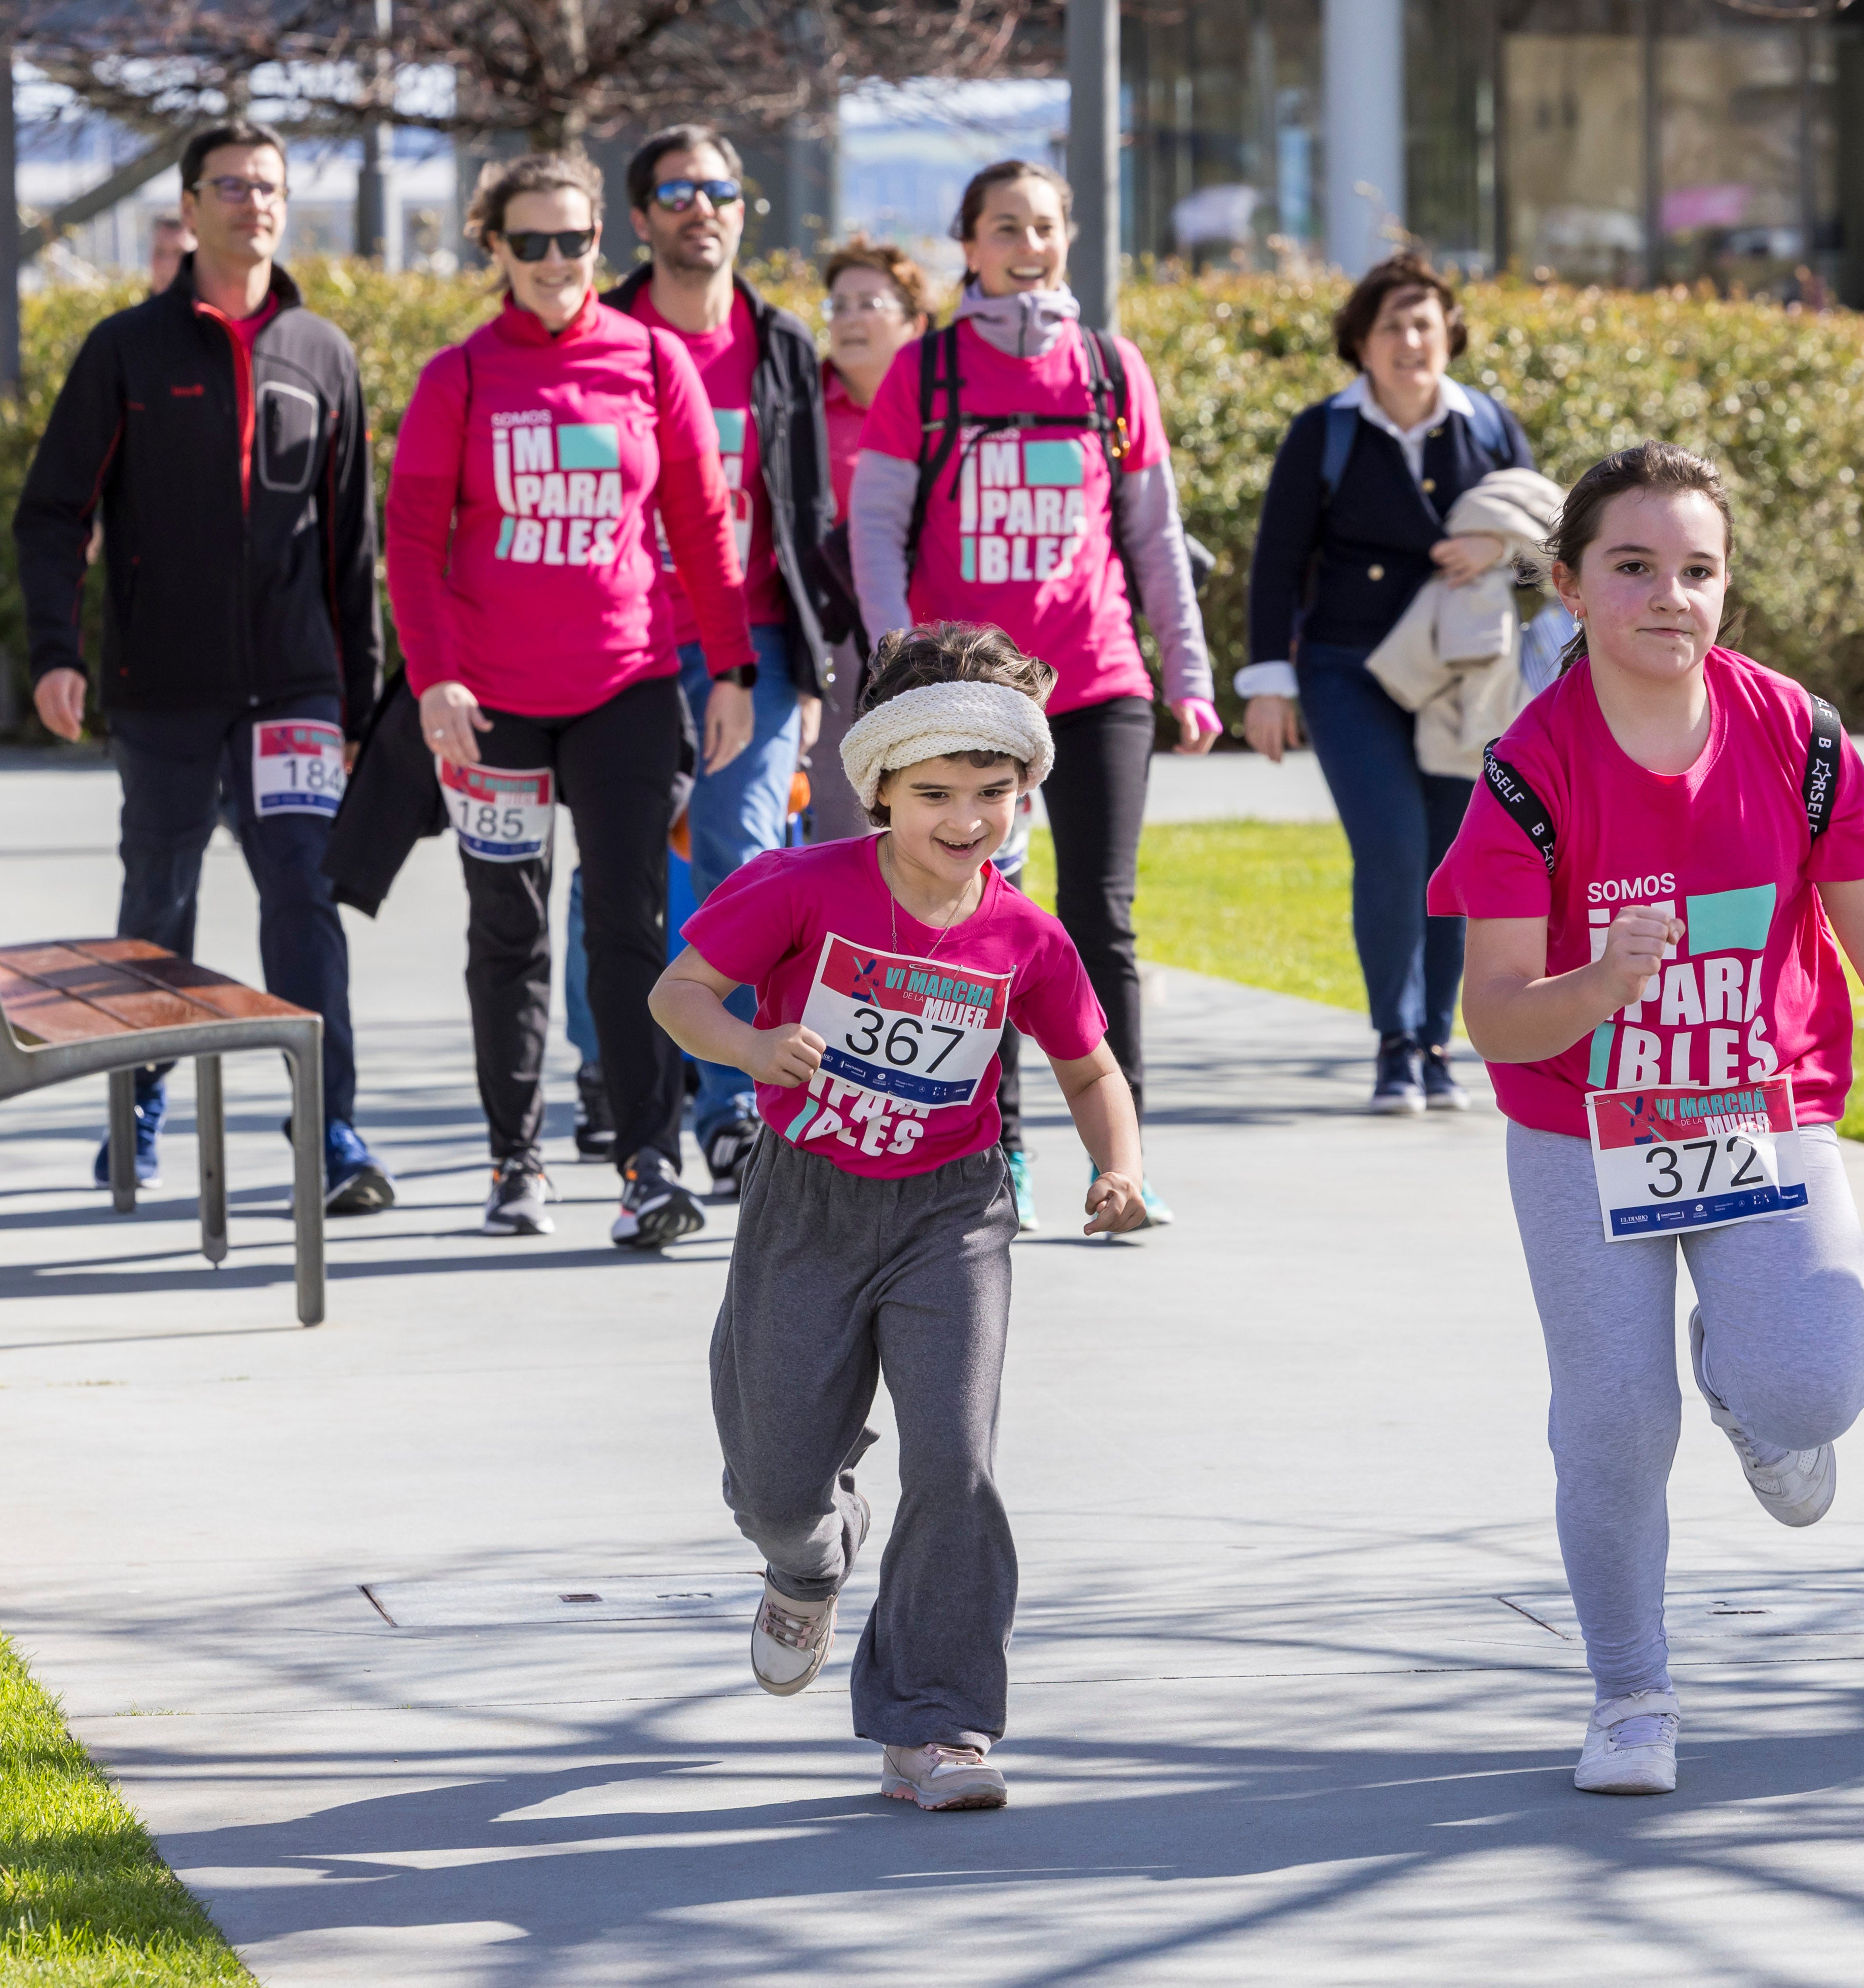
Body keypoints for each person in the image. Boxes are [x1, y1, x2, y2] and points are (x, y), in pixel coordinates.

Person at [1433, 442, 1864, 1799]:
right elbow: (1497, 1015)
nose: (1667, 596)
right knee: (1615, 1422)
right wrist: (1598, 983)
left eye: (1697, 569)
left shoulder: (1796, 738)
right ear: (1568, 586)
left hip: (1764, 1110)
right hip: (1580, 1130)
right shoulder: (1531, 767)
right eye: (1632, 568)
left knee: (1814, 1382)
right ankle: (1630, 1691)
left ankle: (1753, 1389)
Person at [647, 621, 1148, 1812]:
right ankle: (808, 1558)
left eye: (994, 793)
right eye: (937, 794)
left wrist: (1118, 1167)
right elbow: (678, 993)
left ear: (1024, 796)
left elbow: (1090, 1068)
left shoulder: (1026, 934)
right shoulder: (798, 886)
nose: (967, 820)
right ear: (879, 788)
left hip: (953, 1212)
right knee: (774, 1479)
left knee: (957, 1462)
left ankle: (940, 1724)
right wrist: (756, 1046)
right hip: (805, 1203)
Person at [16, 122, 395, 1217]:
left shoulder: (322, 352)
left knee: (303, 895)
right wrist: (55, 651)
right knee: (158, 902)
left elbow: (349, 546)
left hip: (295, 691)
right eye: (230, 185)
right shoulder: (127, 349)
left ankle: (327, 1125)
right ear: (190, 205)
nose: (252, 202)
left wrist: (358, 705)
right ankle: (136, 1104)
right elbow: (53, 515)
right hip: (163, 686)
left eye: (269, 185)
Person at [384, 149, 755, 1248]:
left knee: (631, 921)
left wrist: (730, 669)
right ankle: (517, 1158)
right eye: (531, 242)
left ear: (605, 241)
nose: (556, 262)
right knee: (509, 925)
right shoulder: (459, 376)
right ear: (492, 247)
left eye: (575, 240)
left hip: (627, 685)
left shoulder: (648, 359)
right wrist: (435, 676)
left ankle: (649, 1164)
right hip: (493, 698)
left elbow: (701, 528)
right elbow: (413, 542)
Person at [847, 159, 1218, 1231]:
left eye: (1044, 226)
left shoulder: (1110, 368)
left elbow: (1151, 540)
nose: (1027, 243)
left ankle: (1123, 1165)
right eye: (1004, 226)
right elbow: (875, 530)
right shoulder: (927, 372)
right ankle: (992, 1152)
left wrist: (1186, 677)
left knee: (1100, 921)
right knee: (973, 922)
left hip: (1099, 679)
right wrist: (897, 662)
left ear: (1067, 240)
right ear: (968, 245)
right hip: (967, 693)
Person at [601, 124, 850, 1203]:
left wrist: (812, 664)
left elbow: (808, 513)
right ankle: (609, 1073)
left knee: (740, 857)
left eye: (719, 190)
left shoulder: (781, 341)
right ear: (642, 216)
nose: (701, 206)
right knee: (614, 882)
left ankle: (731, 1105)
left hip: (749, 645)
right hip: (621, 641)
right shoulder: (604, 332)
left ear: (743, 210)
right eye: (676, 190)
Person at [1242, 251, 1536, 1114]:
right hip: (1346, 670)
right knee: (1393, 849)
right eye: (1391, 326)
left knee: (1456, 859)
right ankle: (1395, 1043)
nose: (1411, 340)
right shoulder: (1323, 431)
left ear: (1448, 333)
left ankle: (1439, 1041)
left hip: (1464, 676)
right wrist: (1268, 684)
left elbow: (1558, 551)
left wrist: (1500, 550)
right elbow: (1275, 566)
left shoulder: (1487, 423)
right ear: (1361, 344)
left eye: (1424, 322)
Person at [806, 236, 934, 843]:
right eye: (839, 305)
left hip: (929, 634)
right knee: (843, 822)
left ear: (915, 322)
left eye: (869, 304)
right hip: (829, 637)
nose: (850, 319)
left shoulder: (942, 408)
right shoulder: (799, 405)